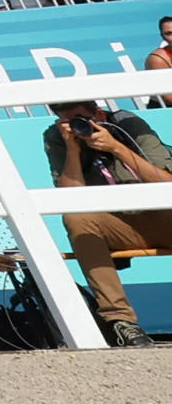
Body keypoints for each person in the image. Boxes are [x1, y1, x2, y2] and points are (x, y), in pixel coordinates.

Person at [42, 97, 172, 347]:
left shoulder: (129, 125)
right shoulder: (57, 137)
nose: (79, 126)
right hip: (120, 224)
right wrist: (72, 148)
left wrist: (116, 147)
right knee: (77, 218)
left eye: (83, 119)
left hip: (162, 214)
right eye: (68, 121)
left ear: (99, 114)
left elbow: (165, 182)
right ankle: (121, 321)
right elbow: (70, 198)